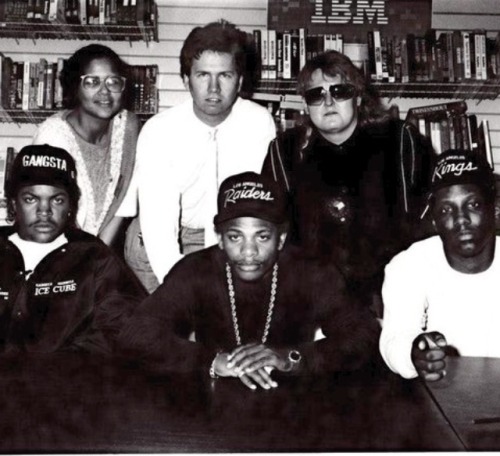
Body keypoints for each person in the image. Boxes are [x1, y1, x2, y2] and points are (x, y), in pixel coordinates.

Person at [117, 171, 380, 390]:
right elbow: (136, 333)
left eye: (262, 237)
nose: (248, 251)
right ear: (219, 238)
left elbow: (363, 333)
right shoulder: (196, 271)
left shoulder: (312, 271)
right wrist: (212, 361)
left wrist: (290, 357)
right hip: (213, 397)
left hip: (294, 396)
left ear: (282, 238)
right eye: (235, 237)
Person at [262, 50, 433, 315]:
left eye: (340, 91)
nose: (328, 101)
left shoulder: (400, 140)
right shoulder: (285, 151)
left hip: (391, 296)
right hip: (311, 302)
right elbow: (270, 228)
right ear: (305, 105)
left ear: (358, 96)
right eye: (316, 94)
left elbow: (427, 218)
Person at [126, 20, 276, 292]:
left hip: (229, 238)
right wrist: (181, 291)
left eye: (225, 76)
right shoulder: (159, 130)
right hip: (156, 243)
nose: (214, 88)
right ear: (186, 80)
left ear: (240, 80)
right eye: (202, 75)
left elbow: (253, 203)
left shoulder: (259, 122)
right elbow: (159, 222)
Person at [0, 144, 146, 354]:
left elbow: (122, 327)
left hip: (67, 381)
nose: (44, 211)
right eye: (30, 199)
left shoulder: (93, 256)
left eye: (57, 200)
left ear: (70, 206)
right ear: (13, 204)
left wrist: (63, 367)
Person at [379, 150, 500, 381]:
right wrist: (415, 352)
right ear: (434, 219)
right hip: (437, 406)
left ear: (494, 209)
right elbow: (395, 338)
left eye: (473, 205)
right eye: (446, 210)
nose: (461, 219)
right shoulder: (409, 265)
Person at [32, 44, 140, 248]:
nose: (105, 92)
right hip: (53, 248)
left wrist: (97, 257)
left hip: (100, 251)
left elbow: (123, 201)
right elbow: (47, 213)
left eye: (113, 82)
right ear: (75, 86)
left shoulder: (128, 127)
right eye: (92, 82)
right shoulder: (53, 136)